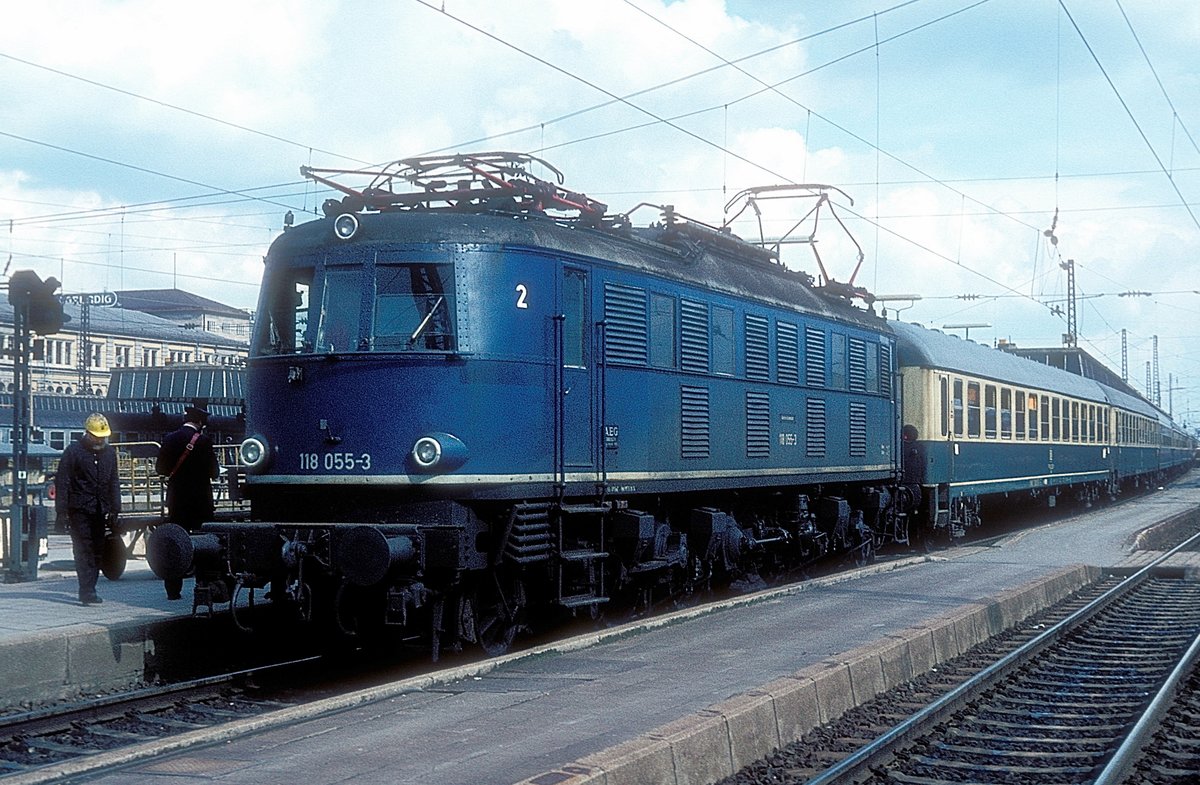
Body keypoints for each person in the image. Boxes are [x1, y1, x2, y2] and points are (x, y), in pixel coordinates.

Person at [55, 413, 121, 606]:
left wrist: (116, 508)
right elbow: (63, 481)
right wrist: (62, 511)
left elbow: (113, 481)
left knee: (98, 550)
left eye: (103, 437)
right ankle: (86, 591)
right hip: (79, 509)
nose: (100, 440)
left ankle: (91, 586)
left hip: (101, 509)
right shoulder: (73, 452)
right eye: (97, 437)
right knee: (83, 550)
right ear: (87, 434)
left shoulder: (109, 453)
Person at [156, 401, 219, 600]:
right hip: (201, 503)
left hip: (177, 501)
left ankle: (173, 591)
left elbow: (161, 469)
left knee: (175, 543)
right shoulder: (204, 442)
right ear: (200, 422)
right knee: (204, 544)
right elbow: (214, 472)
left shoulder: (170, 439)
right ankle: (202, 587)